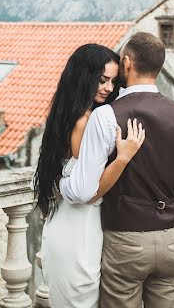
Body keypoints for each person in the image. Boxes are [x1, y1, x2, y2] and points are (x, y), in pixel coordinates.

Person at [60, 31, 174, 308]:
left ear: (126, 63)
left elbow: (81, 190)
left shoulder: (106, 115)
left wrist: (60, 184)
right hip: (172, 238)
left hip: (124, 239)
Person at [34, 43, 147, 308]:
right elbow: (89, 192)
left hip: (63, 226)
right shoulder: (85, 121)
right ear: (84, 77)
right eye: (102, 80)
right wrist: (122, 158)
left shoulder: (67, 115)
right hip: (79, 231)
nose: (109, 88)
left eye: (113, 81)